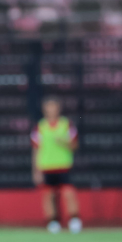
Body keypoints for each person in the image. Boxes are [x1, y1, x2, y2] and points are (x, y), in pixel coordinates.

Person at [31, 97, 81, 233]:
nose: (51, 110)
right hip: (46, 166)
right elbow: (35, 149)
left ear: (59, 109)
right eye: (48, 107)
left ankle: (74, 219)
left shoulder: (66, 124)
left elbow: (75, 145)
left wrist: (64, 142)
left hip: (63, 164)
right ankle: (53, 221)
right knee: (49, 195)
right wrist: (36, 170)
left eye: (54, 107)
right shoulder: (40, 126)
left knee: (68, 192)